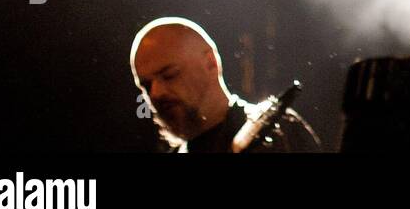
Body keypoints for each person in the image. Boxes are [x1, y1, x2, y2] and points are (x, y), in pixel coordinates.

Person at [129, 16, 322, 153]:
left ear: (210, 62)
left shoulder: (278, 131)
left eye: (169, 75)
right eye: (146, 85)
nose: (156, 93)